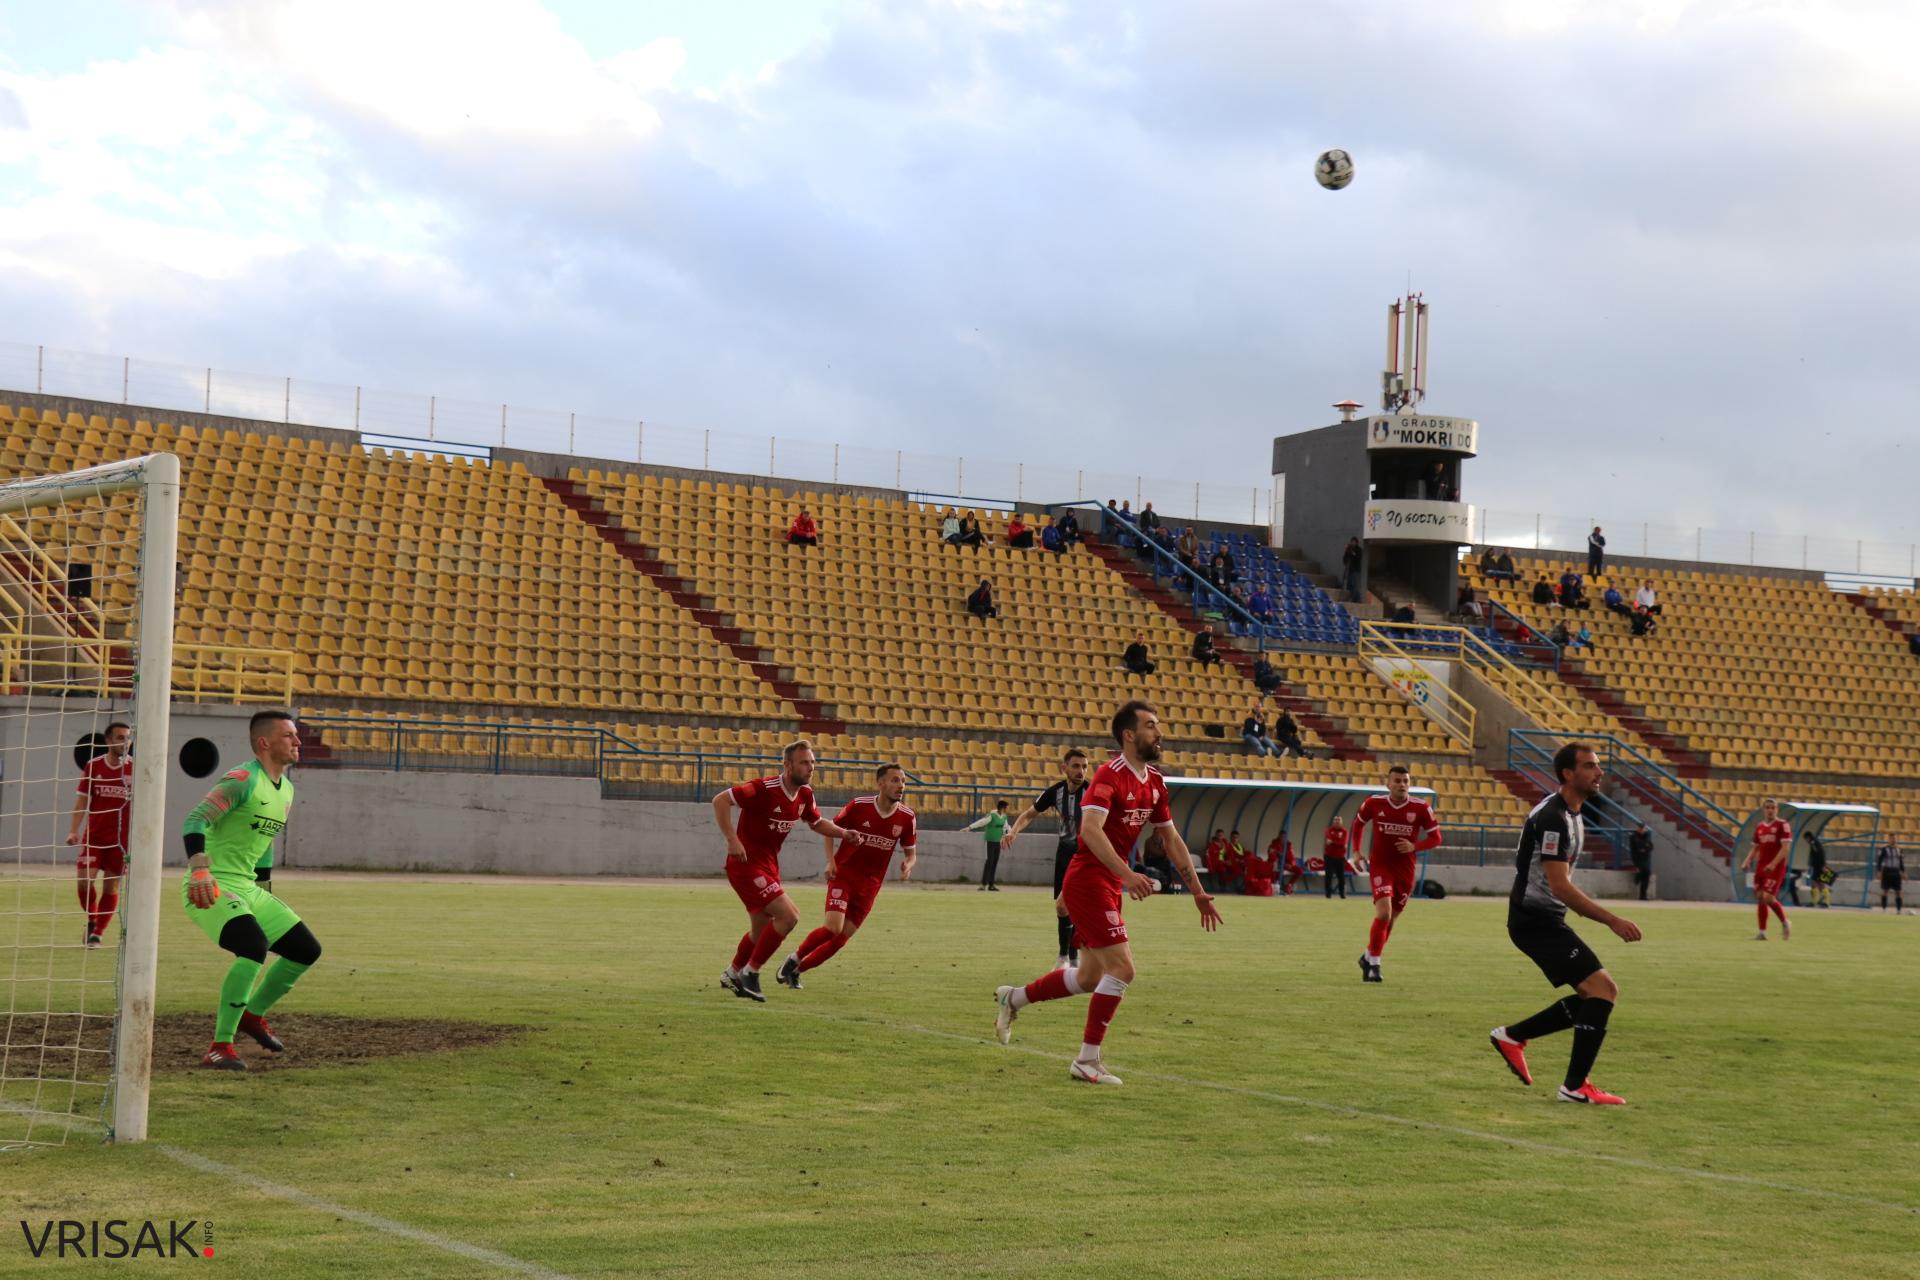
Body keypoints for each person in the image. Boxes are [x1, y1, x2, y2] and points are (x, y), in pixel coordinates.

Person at [992, 701, 1220, 1086]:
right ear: (1129, 735)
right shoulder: (1108, 777)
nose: (1159, 732)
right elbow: (1090, 832)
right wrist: (1129, 875)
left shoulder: (1155, 782)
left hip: (1107, 883)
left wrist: (1196, 890)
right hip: (1089, 880)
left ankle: (1012, 998)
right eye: (1151, 726)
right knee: (1123, 969)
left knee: (1088, 977)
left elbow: (1172, 838)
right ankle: (1087, 1060)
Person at [1487, 742, 1643, 1105]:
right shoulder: (1554, 817)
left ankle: (1513, 1036)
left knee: (1595, 995)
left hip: (1543, 918)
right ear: (1568, 774)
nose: (1598, 772)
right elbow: (1559, 885)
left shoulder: (1573, 813)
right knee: (1604, 990)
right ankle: (1574, 1087)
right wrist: (1612, 920)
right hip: (1534, 920)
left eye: (1598, 765)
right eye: (1589, 766)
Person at [180, 710, 323, 1070]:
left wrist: (265, 889)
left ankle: (252, 1015)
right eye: (289, 735)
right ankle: (220, 1046)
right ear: (264, 742)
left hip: (248, 887)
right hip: (211, 884)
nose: (297, 741)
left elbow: (265, 843)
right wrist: (199, 869)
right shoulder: (242, 779)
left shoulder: (286, 789)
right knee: (253, 946)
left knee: (305, 950)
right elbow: (195, 819)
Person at [713, 741, 853, 1003]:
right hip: (745, 865)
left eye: (812, 762)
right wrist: (732, 839)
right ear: (787, 765)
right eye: (804, 762)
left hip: (768, 867)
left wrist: (843, 833)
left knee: (761, 930)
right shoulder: (762, 788)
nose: (810, 767)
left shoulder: (805, 795)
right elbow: (720, 800)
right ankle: (750, 973)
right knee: (789, 917)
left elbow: (816, 822)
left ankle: (732, 973)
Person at [778, 764, 918, 988]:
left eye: (903, 781)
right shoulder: (859, 805)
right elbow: (830, 830)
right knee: (832, 928)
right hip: (844, 875)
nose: (900, 785)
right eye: (895, 780)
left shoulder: (907, 817)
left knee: (840, 939)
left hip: (870, 886)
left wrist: (908, 865)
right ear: (880, 783)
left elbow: (911, 853)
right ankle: (794, 958)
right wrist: (831, 861)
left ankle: (797, 970)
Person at [1350, 764, 1444, 982]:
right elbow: (1358, 823)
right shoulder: (1375, 803)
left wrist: (1414, 847)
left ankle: (1368, 956)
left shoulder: (1421, 808)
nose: (1402, 785)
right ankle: (1374, 965)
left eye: (1405, 781)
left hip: (1405, 870)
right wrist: (1356, 851)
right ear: (1388, 783)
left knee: (1390, 920)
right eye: (1397, 781)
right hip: (1381, 866)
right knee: (1383, 913)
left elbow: (1436, 838)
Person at [1004, 748, 1092, 969]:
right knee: (1063, 907)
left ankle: (1067, 958)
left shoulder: (1093, 792)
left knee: (1071, 905)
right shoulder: (1055, 792)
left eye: (1084, 766)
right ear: (1064, 768)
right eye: (1075, 766)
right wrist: (1014, 831)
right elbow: (1029, 814)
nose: (1080, 771)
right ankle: (1070, 958)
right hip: (1064, 852)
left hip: (1086, 855)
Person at [66, 720, 131, 948]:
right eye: (120, 738)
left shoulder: (135, 768)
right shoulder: (93, 766)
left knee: (111, 887)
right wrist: (74, 830)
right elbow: (82, 800)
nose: (125, 742)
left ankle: (97, 934)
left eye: (127, 738)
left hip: (121, 842)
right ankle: (93, 919)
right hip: (94, 836)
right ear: (108, 740)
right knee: (84, 882)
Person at [1741, 798, 1792, 940]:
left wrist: (1773, 864)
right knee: (1760, 898)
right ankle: (1762, 932)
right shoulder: (1760, 827)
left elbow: (1785, 849)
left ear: (1777, 810)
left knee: (1768, 897)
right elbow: (1756, 847)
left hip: (1775, 867)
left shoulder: (1783, 825)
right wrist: (1747, 861)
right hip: (1761, 866)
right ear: (1764, 810)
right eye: (1767, 807)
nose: (1770, 810)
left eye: (1773, 807)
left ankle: (1785, 921)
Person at [966, 801, 1012, 890]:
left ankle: (991, 884)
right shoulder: (992, 815)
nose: (1008, 809)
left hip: (998, 842)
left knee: (994, 862)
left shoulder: (1004, 817)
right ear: (1003, 808)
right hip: (989, 841)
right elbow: (982, 822)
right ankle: (983, 884)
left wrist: (1010, 833)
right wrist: (970, 827)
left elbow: (1006, 827)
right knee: (989, 861)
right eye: (1007, 807)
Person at [1322, 823, 1351, 898]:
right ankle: (1328, 894)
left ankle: (1342, 894)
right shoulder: (1329, 830)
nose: (1337, 821)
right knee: (1328, 876)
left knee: (1341, 876)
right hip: (1329, 857)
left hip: (1340, 857)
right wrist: (1339, 842)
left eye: (1338, 820)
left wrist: (1333, 842)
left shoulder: (1344, 831)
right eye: (1335, 820)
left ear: (1341, 822)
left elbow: (1343, 842)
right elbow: (1328, 841)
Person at [1877, 838, 1905, 913]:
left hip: (1896, 871)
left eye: (1894, 839)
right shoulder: (1884, 849)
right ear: (1889, 840)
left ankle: (1898, 910)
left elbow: (1901, 862)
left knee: (1898, 891)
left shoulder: (1899, 849)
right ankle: (1884, 908)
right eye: (1891, 839)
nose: (1893, 840)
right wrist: (1879, 871)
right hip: (1887, 871)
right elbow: (1879, 861)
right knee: (1885, 890)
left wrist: (1903, 872)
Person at [1807, 832, 1832, 908]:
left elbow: (1821, 854)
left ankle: (1821, 902)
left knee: (1819, 883)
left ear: (1808, 837)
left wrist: (1823, 865)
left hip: (1819, 866)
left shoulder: (1814, 843)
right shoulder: (1814, 843)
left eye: (1806, 838)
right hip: (1818, 866)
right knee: (1817, 883)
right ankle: (1820, 902)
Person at [1629, 824, 1653, 900]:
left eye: (1644, 829)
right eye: (1642, 829)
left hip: (1645, 858)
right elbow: (1638, 846)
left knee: (1646, 874)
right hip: (1637, 858)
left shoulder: (1646, 836)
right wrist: (1644, 847)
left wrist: (1645, 849)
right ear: (1638, 829)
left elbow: (1650, 846)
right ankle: (1638, 876)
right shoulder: (1634, 836)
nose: (1643, 830)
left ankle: (1643, 895)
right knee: (1643, 870)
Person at [1341, 536, 1364, 603]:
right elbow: (1345, 558)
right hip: (1350, 569)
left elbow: (1358, 558)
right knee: (1349, 585)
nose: (1353, 543)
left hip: (1356, 570)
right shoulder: (1349, 549)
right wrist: (1347, 551)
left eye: (1354, 542)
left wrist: (1352, 552)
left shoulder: (1359, 550)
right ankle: (1358, 599)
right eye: (1352, 542)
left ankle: (1353, 598)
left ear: (1356, 543)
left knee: (1354, 585)